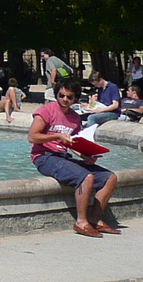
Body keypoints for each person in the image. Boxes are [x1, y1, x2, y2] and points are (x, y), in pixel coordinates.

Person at [28, 82, 118, 238]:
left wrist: (85, 155)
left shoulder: (75, 117)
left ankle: (95, 220)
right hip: (44, 156)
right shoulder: (45, 111)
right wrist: (56, 136)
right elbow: (32, 136)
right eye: (61, 95)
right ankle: (81, 222)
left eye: (69, 97)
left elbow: (74, 142)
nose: (64, 99)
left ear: (75, 98)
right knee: (86, 178)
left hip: (63, 157)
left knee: (110, 178)